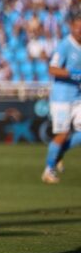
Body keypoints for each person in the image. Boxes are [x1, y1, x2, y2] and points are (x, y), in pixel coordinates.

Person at [42, 11, 81, 184]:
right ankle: (48, 170)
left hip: (77, 96)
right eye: (78, 27)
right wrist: (72, 74)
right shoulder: (65, 45)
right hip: (61, 98)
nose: (80, 31)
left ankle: (59, 153)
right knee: (62, 134)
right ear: (72, 27)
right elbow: (52, 69)